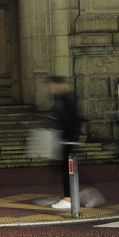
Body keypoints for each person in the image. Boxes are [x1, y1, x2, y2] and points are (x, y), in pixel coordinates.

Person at [49, 76, 81, 210]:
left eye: (52, 86)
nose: (50, 89)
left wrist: (64, 137)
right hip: (68, 140)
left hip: (67, 141)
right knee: (67, 170)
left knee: (67, 170)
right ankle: (71, 197)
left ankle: (69, 199)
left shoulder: (66, 100)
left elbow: (69, 120)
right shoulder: (67, 98)